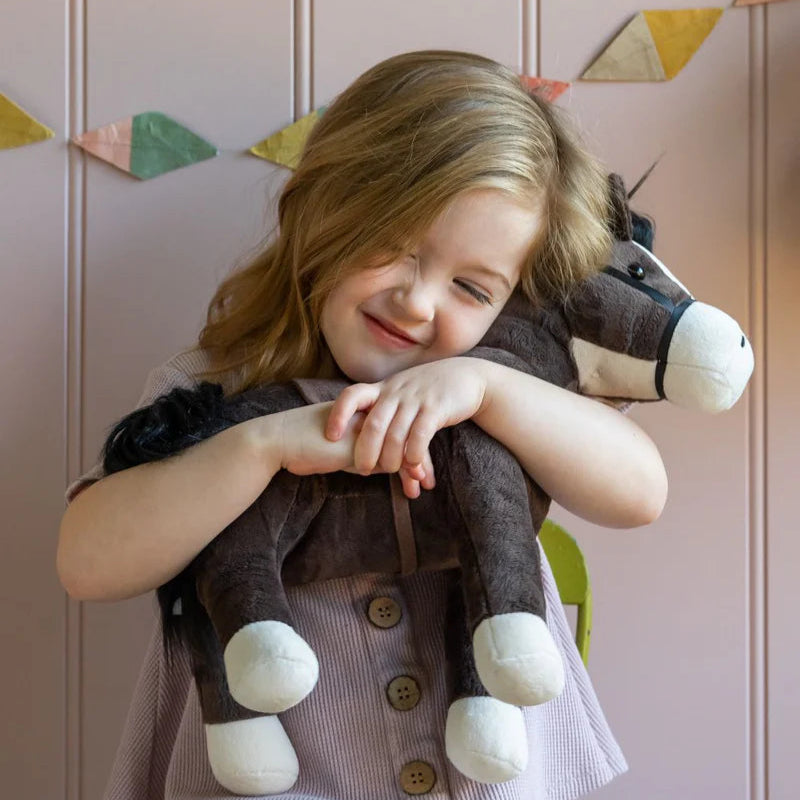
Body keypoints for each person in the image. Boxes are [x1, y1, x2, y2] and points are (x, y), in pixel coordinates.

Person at [57, 50, 667, 800]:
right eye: (396, 247)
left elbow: (640, 492)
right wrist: (262, 444)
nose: (417, 302)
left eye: (471, 287)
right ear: (330, 210)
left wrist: (485, 387)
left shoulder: (505, 391)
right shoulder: (216, 390)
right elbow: (86, 561)